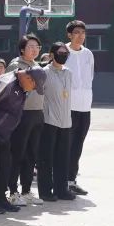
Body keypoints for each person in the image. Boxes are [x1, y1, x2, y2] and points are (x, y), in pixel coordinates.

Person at [0, 67, 47, 214]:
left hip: (2, 133)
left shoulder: (21, 85)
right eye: (34, 86)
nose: (33, 89)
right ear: (28, 78)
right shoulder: (6, 83)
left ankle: (0, 198)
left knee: (5, 166)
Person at [7, 35, 45, 206]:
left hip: (37, 113)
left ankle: (27, 190)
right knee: (18, 153)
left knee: (31, 154)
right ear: (22, 49)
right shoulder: (16, 65)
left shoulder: (37, 66)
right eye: (30, 46)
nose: (34, 49)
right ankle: (13, 192)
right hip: (21, 114)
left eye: (37, 46)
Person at [37, 42, 73, 202]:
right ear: (51, 55)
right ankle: (45, 191)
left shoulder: (68, 73)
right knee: (46, 158)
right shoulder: (44, 72)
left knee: (63, 158)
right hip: (48, 120)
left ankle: (61, 189)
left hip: (66, 121)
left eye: (66, 53)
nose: (63, 55)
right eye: (60, 52)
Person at [65, 20, 93, 196]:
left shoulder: (88, 53)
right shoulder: (62, 51)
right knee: (65, 145)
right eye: (76, 32)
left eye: (83, 32)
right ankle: (61, 181)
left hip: (85, 106)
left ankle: (71, 180)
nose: (80, 36)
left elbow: (89, 77)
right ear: (69, 34)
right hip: (68, 106)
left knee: (78, 145)